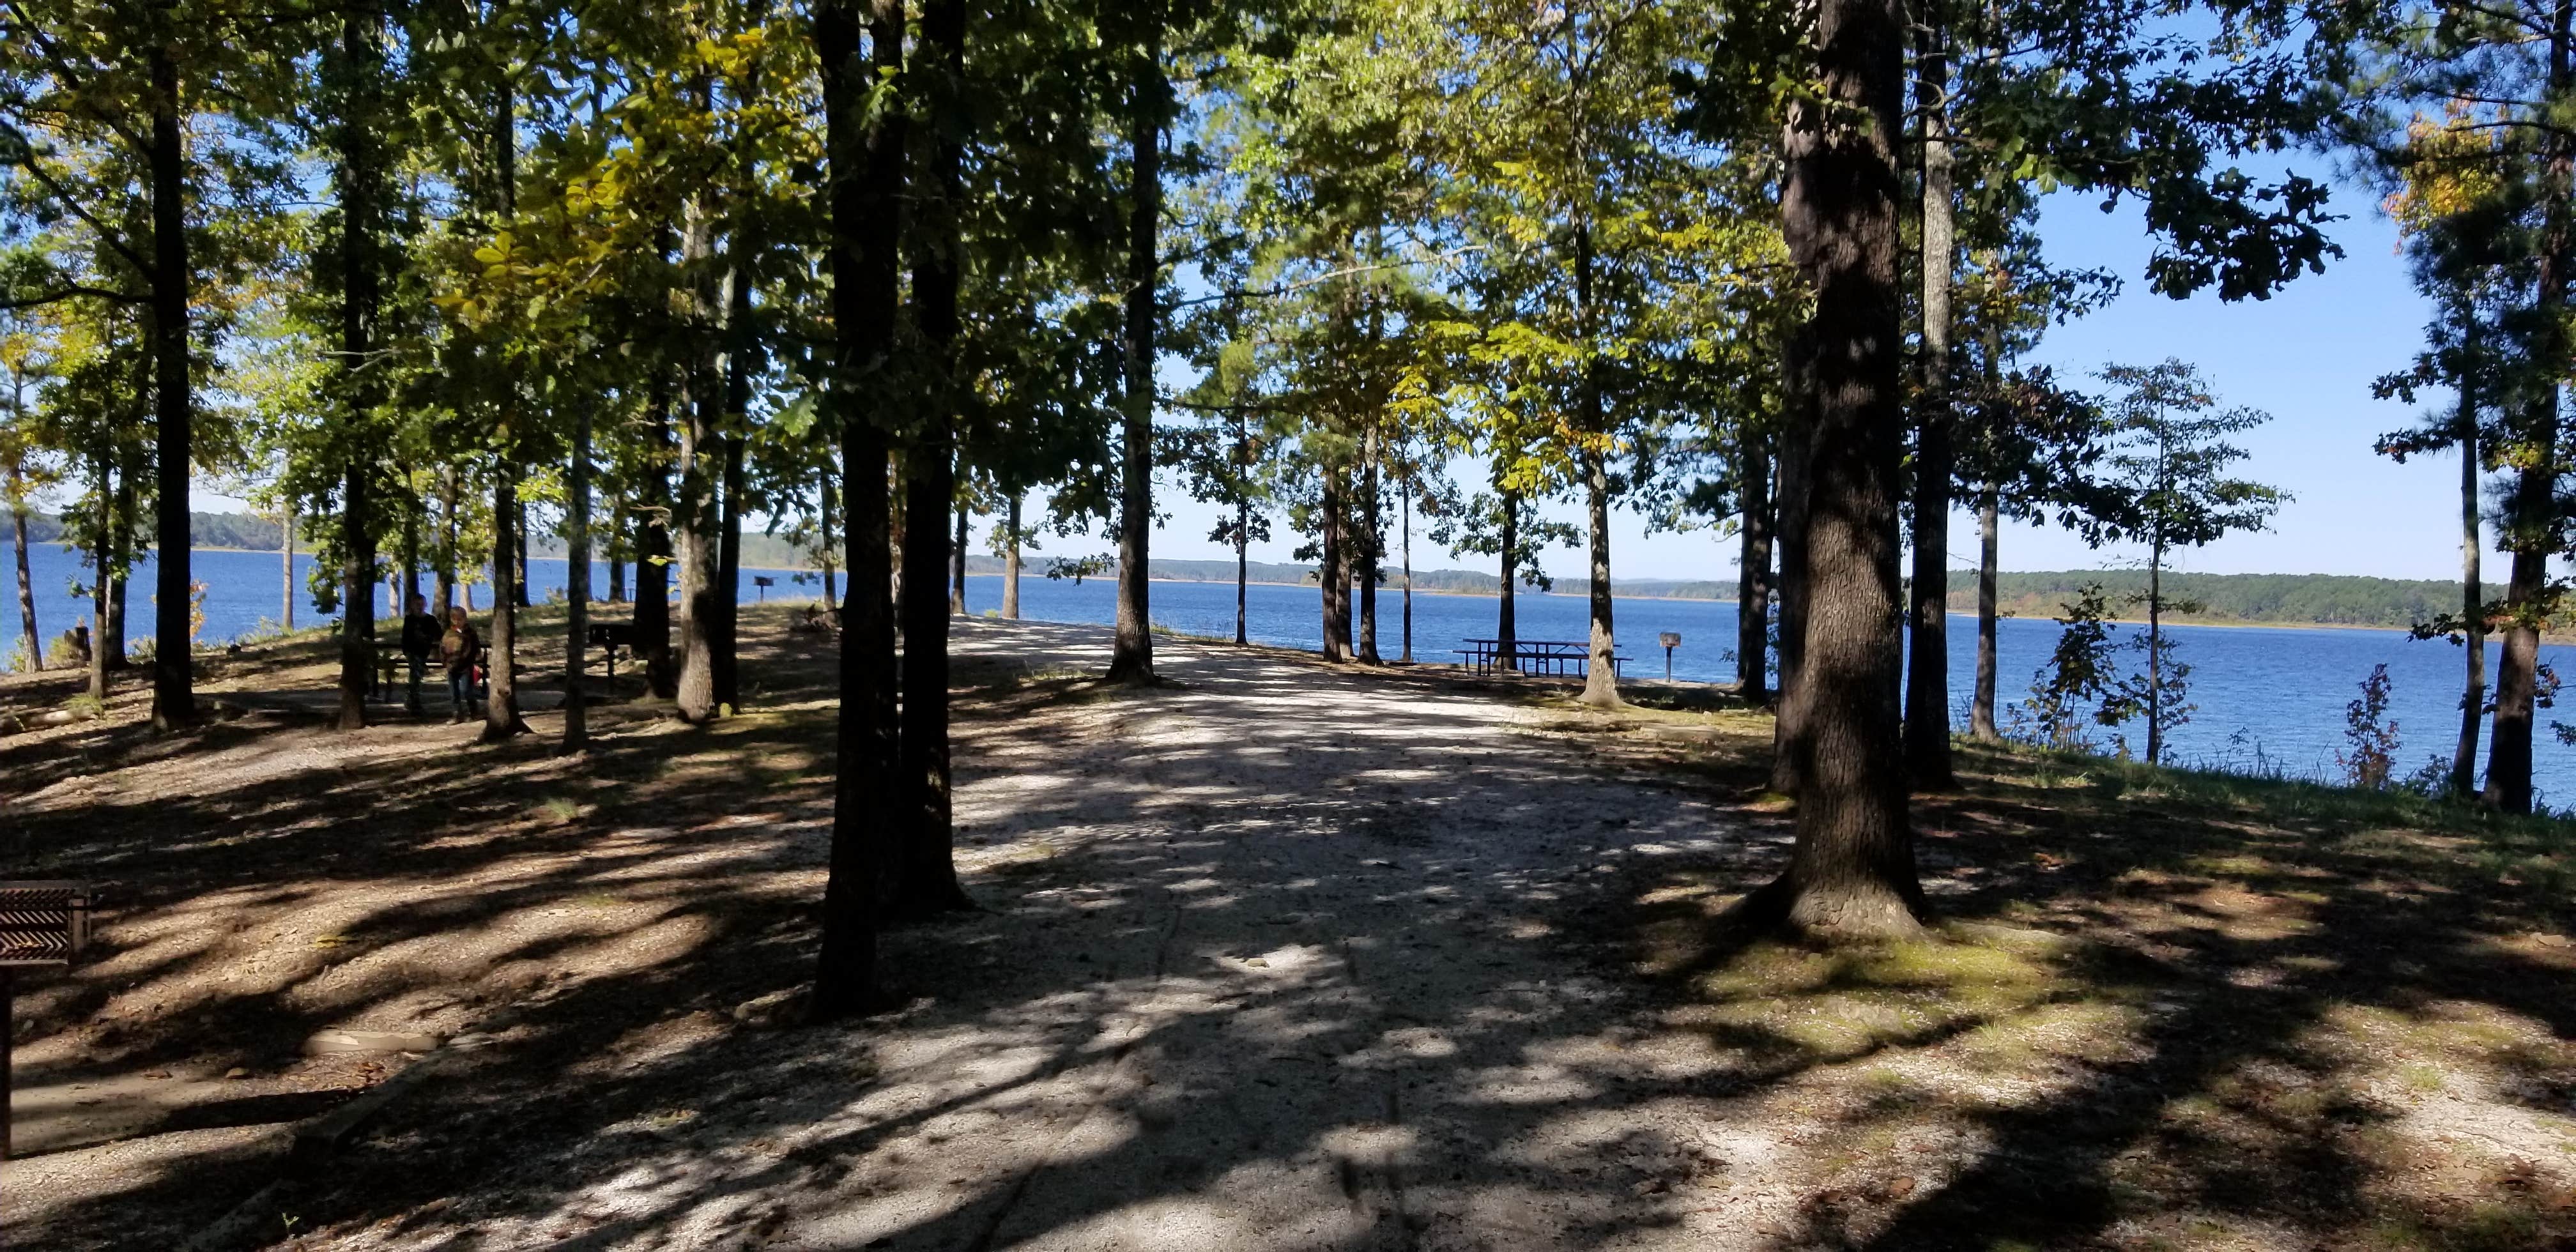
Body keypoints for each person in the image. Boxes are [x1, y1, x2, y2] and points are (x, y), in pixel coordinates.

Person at [399, 594, 441, 715]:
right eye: (417, 604)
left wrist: (430, 640)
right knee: (416, 671)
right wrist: (406, 651)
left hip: (423, 651)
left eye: (422, 604)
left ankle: (411, 698)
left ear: (425, 604)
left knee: (416, 673)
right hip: (412, 651)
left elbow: (438, 634)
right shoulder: (410, 620)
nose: (420, 607)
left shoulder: (430, 620)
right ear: (412, 606)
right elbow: (405, 637)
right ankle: (413, 699)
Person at [439, 606, 481, 724]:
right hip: (451, 667)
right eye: (455, 619)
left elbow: (474, 649)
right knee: (454, 692)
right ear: (452, 620)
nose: (458, 622)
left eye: (461, 619)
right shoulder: (448, 634)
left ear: (465, 619)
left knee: (466, 690)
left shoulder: (470, 633)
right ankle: (457, 714)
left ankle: (473, 712)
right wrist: (446, 662)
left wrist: (473, 661)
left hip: (466, 667)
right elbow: (442, 649)